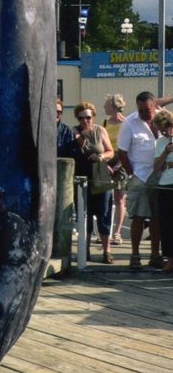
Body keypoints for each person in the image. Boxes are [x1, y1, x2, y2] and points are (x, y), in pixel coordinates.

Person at [118, 90, 164, 271]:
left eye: (147, 110)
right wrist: (131, 174)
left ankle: (155, 254)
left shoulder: (164, 118)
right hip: (140, 175)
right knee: (138, 216)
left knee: (157, 217)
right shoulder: (129, 123)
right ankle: (135, 254)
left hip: (160, 174)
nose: (144, 114)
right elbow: (122, 151)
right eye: (141, 110)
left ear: (154, 106)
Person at [73, 102, 114, 263]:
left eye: (88, 117)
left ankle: (107, 252)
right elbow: (81, 145)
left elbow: (110, 151)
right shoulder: (74, 131)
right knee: (85, 216)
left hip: (101, 176)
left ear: (93, 117)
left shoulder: (101, 130)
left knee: (104, 214)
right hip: (83, 179)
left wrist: (101, 157)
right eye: (81, 117)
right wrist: (80, 135)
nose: (85, 121)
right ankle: (85, 251)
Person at [103, 93, 128, 245]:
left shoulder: (126, 123)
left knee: (119, 198)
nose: (104, 107)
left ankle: (117, 233)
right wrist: (105, 164)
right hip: (107, 162)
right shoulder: (105, 123)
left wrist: (120, 164)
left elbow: (126, 146)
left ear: (113, 106)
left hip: (122, 162)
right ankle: (105, 231)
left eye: (106, 105)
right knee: (105, 198)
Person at [152, 109, 173, 273]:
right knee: (166, 224)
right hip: (165, 185)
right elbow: (157, 167)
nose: (165, 132)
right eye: (162, 129)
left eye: (167, 128)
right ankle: (170, 259)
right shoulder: (160, 143)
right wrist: (166, 153)